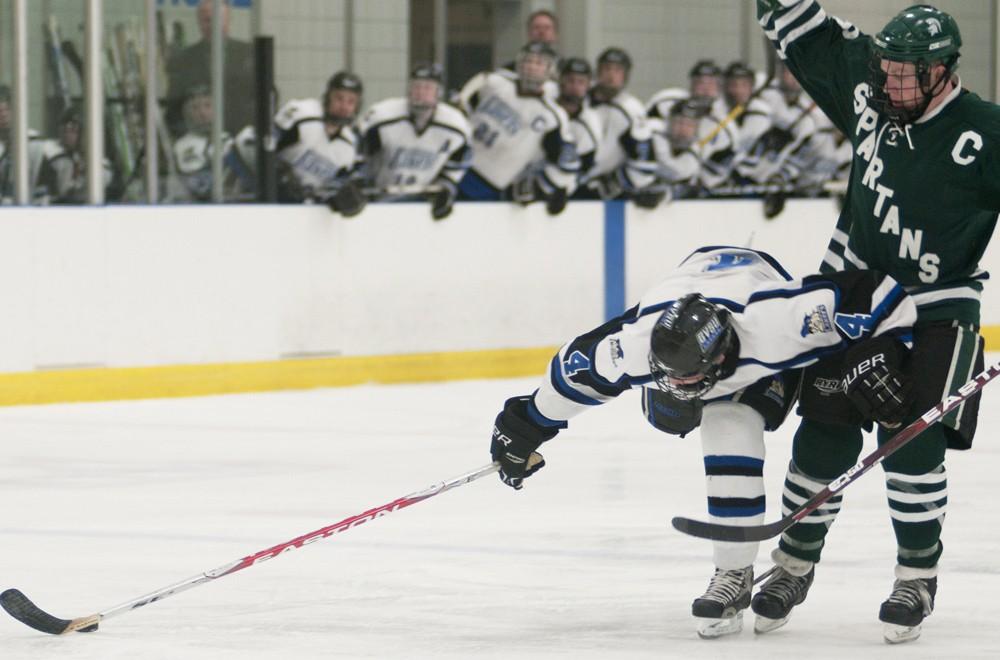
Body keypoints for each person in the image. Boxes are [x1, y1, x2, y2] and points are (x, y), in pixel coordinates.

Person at [488, 244, 917, 638]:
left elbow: (878, 295)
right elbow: (572, 373)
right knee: (674, 416)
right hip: (695, 280)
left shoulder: (780, 321)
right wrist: (525, 425)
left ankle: (733, 574)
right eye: (669, 376)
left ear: (719, 353)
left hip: (755, 298)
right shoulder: (633, 346)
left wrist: (876, 356)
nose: (678, 384)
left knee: (728, 424)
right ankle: (736, 569)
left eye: (689, 377)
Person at [755, 1, 1000, 643]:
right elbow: (798, 23)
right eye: (885, 70)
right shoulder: (870, 92)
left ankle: (917, 577)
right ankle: (791, 565)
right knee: (821, 434)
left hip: (942, 305)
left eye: (905, 74)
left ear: (942, 71)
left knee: (911, 440)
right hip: (857, 294)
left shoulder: (987, 132)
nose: (890, 84)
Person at [456, 42, 578, 214]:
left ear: (550, 70)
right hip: (455, 165)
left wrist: (549, 187)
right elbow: (461, 110)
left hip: (487, 186)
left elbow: (567, 162)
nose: (531, 67)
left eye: (539, 63)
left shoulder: (552, 117)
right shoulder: (495, 82)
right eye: (528, 61)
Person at [356, 63, 471, 220]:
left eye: (427, 88)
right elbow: (359, 152)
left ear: (439, 92)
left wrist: (444, 188)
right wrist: (357, 183)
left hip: (420, 206)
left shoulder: (456, 127)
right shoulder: (382, 117)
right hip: (376, 201)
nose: (420, 93)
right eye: (416, 87)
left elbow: (458, 163)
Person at [273, 71, 365, 216]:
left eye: (351, 101)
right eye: (339, 98)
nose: (344, 106)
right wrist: (279, 175)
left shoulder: (351, 144)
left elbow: (338, 184)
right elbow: (265, 148)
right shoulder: (302, 115)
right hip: (274, 206)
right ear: (328, 97)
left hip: (311, 217)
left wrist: (340, 198)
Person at [581, 48, 661, 207]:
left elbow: (645, 163)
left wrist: (613, 184)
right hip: (566, 181)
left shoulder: (632, 110)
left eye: (617, 70)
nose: (611, 75)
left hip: (596, 192)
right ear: (598, 72)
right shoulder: (578, 97)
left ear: (626, 76)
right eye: (607, 69)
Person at [164, 0, 255, 137]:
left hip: (242, 139)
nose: (212, 25)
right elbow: (173, 110)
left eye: (217, 19)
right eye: (206, 20)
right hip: (200, 142)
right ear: (199, 23)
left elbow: (265, 99)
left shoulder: (250, 54)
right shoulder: (182, 60)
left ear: (228, 20)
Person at [167, 84, 232, 202]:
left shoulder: (229, 141)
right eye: (195, 107)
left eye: (208, 106)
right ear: (186, 112)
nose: (202, 113)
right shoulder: (180, 146)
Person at [36, 106, 112, 204]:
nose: (66, 135)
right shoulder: (55, 156)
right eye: (64, 130)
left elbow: (82, 197)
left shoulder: (101, 167)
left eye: (73, 130)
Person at [554, 57, 602, 193]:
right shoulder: (546, 106)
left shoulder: (590, 121)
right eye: (570, 80)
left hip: (563, 187)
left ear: (588, 85)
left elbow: (585, 165)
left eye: (581, 82)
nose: (575, 86)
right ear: (561, 81)